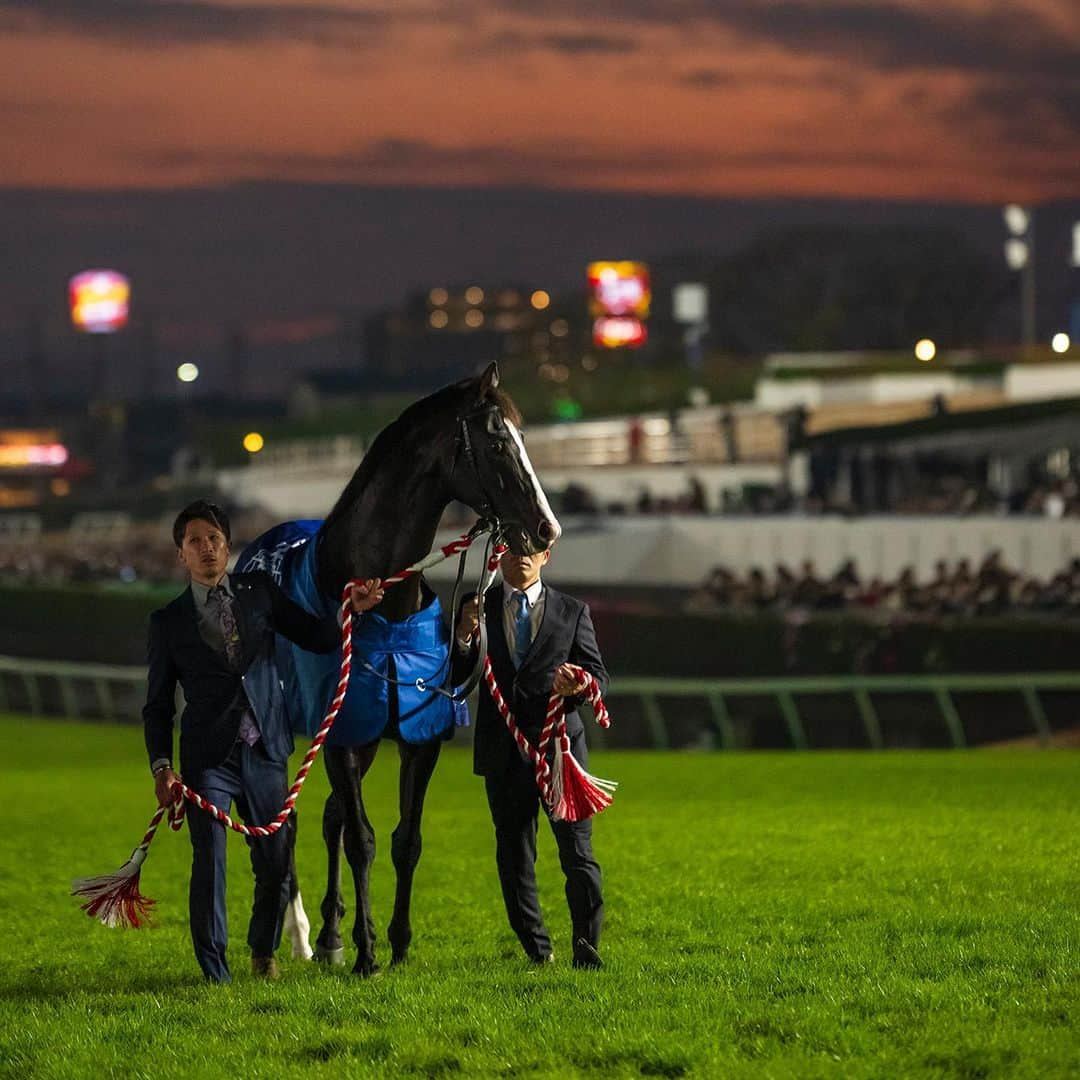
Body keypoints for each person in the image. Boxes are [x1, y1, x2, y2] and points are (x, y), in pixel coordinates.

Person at [143, 500, 383, 983]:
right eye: (195, 541)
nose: (206, 548)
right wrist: (162, 766)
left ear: (227, 546)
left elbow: (314, 636)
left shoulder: (260, 593)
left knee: (276, 862)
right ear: (180, 555)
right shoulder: (167, 622)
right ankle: (215, 972)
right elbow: (157, 704)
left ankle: (262, 951)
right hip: (208, 757)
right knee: (210, 861)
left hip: (267, 748)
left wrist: (347, 610)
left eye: (214, 539)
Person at [454, 545, 609, 969]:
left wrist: (578, 684)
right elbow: (453, 675)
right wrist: (464, 638)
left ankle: (587, 949)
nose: (521, 556)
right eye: (512, 548)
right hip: (503, 751)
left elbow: (599, 677)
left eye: (531, 549)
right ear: (498, 556)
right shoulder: (475, 607)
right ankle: (537, 950)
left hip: (560, 751)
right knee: (515, 854)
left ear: (547, 556)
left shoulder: (573, 611)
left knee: (577, 852)